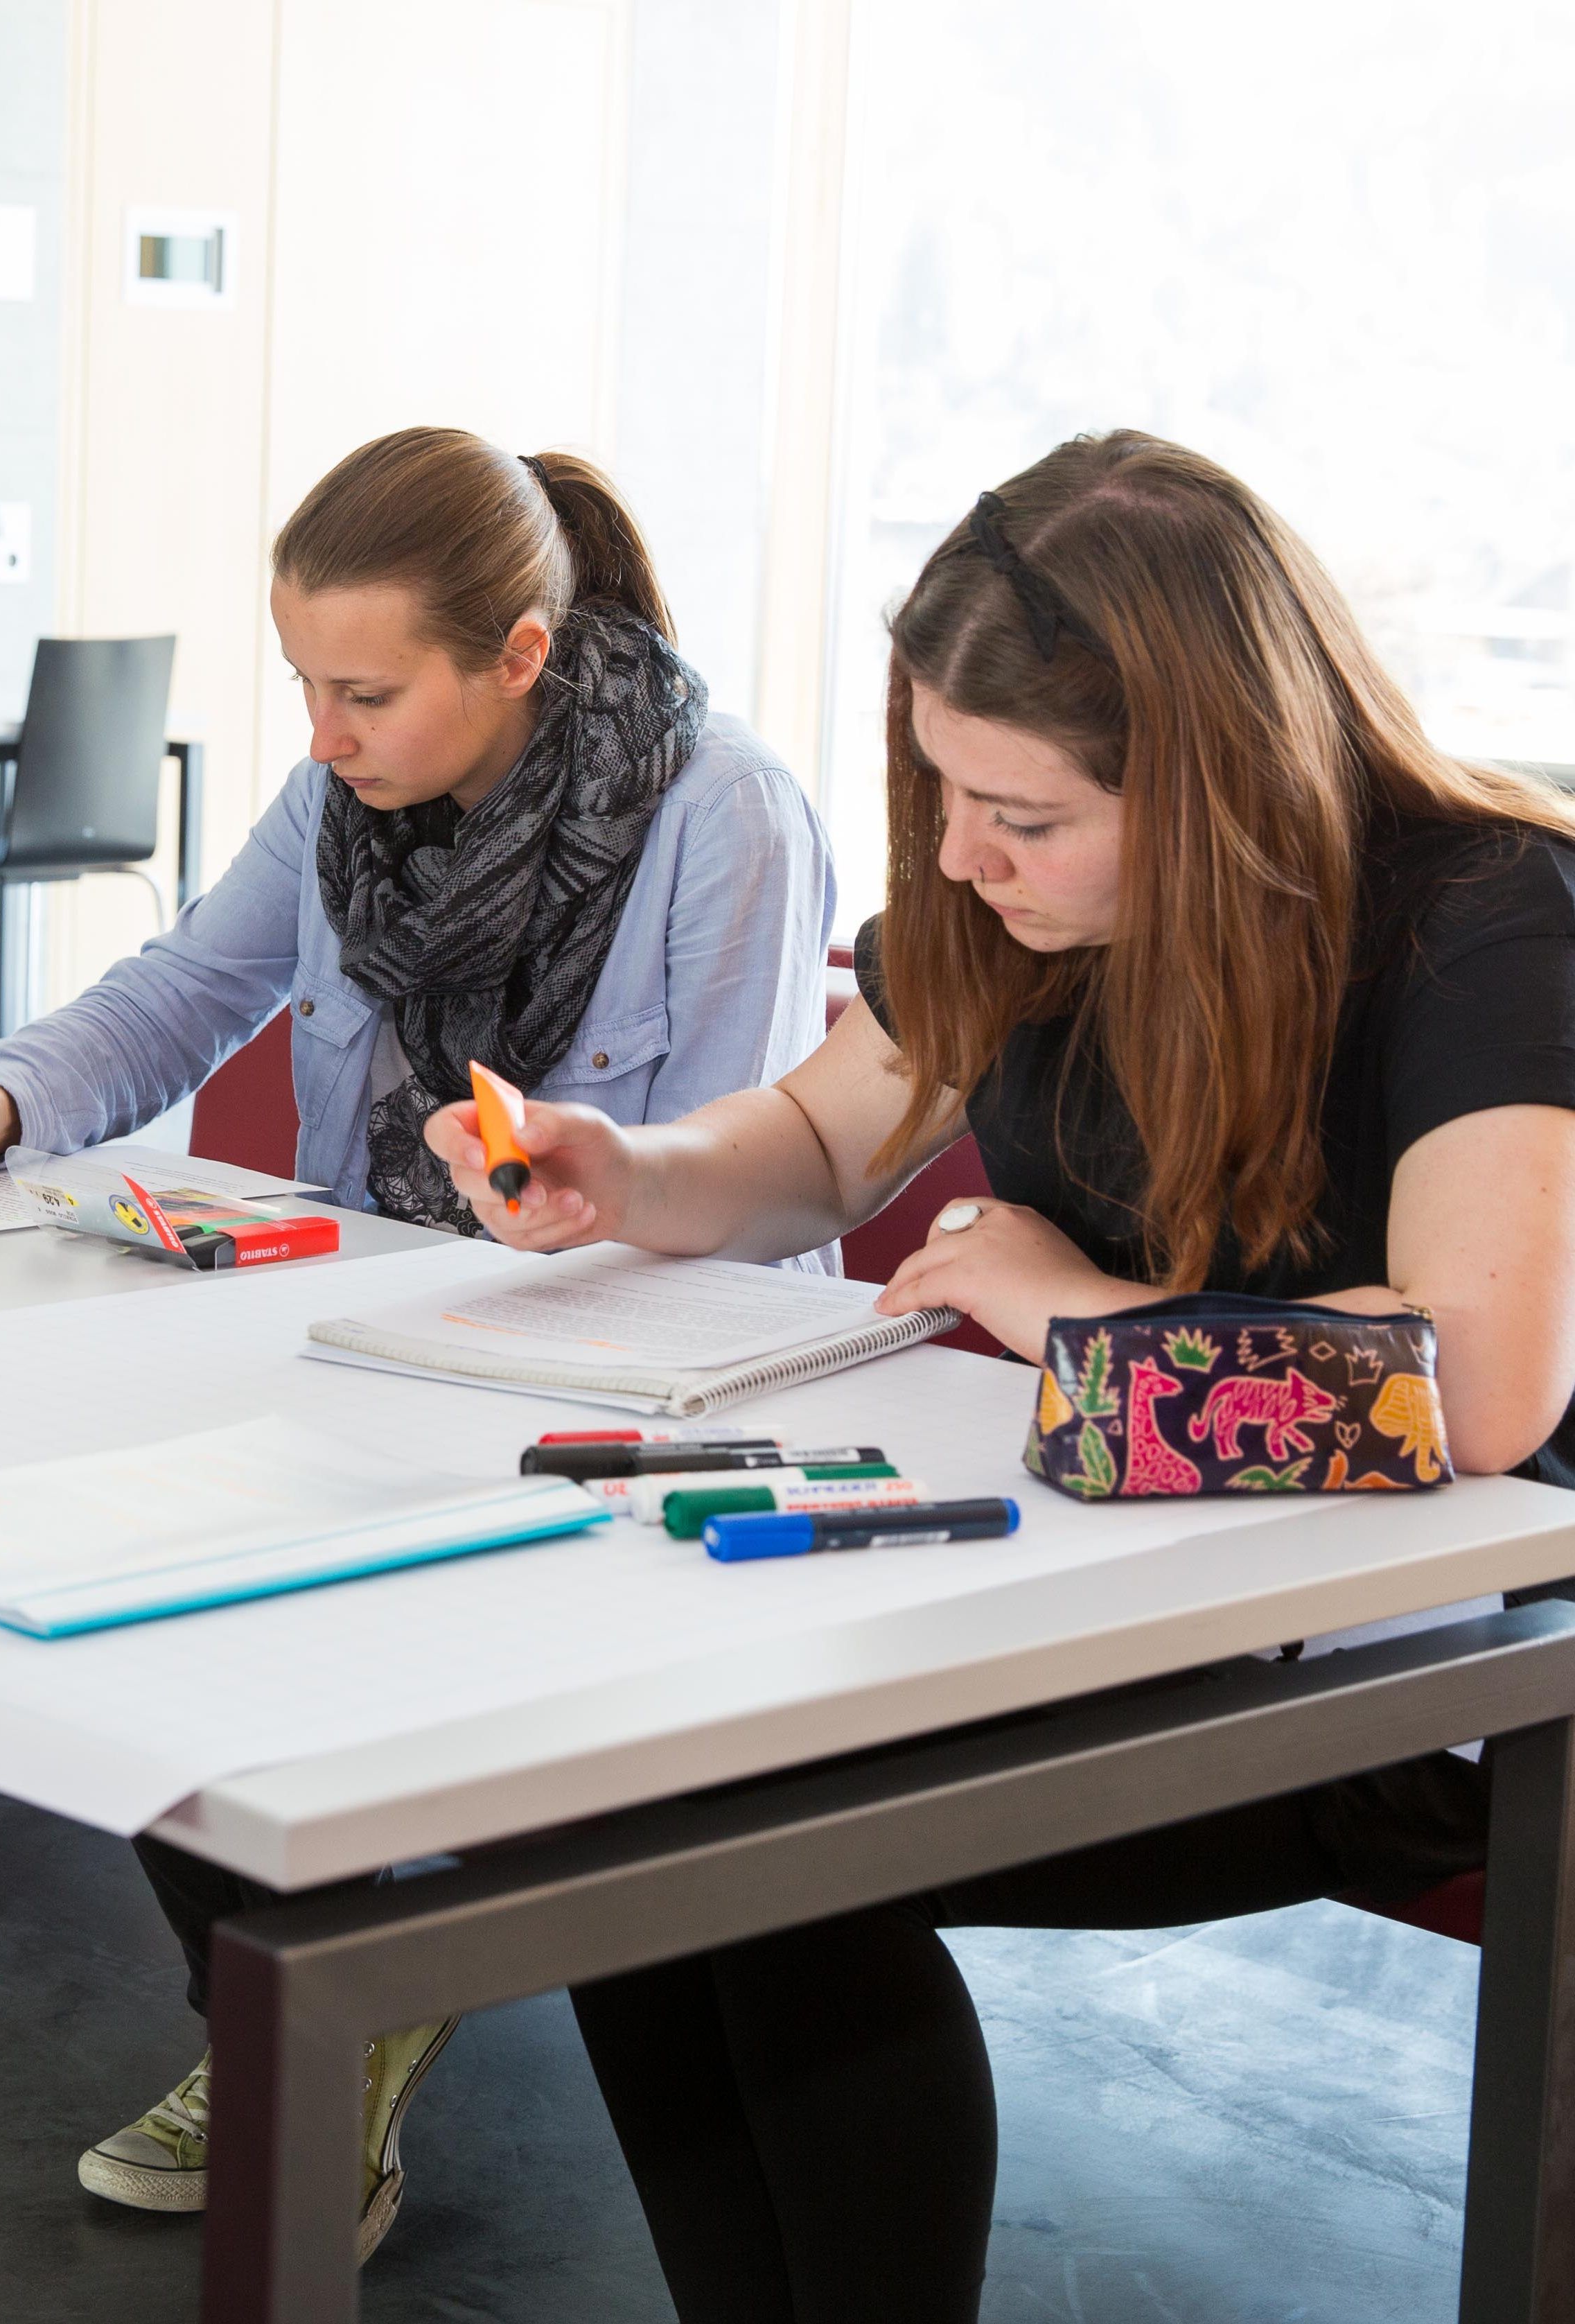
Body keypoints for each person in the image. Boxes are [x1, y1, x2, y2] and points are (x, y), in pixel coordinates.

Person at [420, 430, 1575, 2321]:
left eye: (1020, 814)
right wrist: (628, 1175)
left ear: (1210, 786)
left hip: (1433, 1658)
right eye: (947, 793)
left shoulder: (1481, 915)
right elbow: (810, 1144)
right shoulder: (1021, 904)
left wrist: (1069, 1309)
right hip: (1120, 1587)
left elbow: (1485, 1385)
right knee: (641, 1824)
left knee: (783, 1851)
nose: (961, 855)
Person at [0, 426, 838, 2248]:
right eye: (304, 683)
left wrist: (539, 1215)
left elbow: (730, 1199)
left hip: (616, 1398)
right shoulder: (337, 806)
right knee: (136, 1621)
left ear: (521, 658)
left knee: (267, 1605)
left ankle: (316, 2027)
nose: (322, 733)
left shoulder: (730, 812)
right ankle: (309, 2013)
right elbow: (185, 989)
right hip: (367, 1355)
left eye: (366, 691)